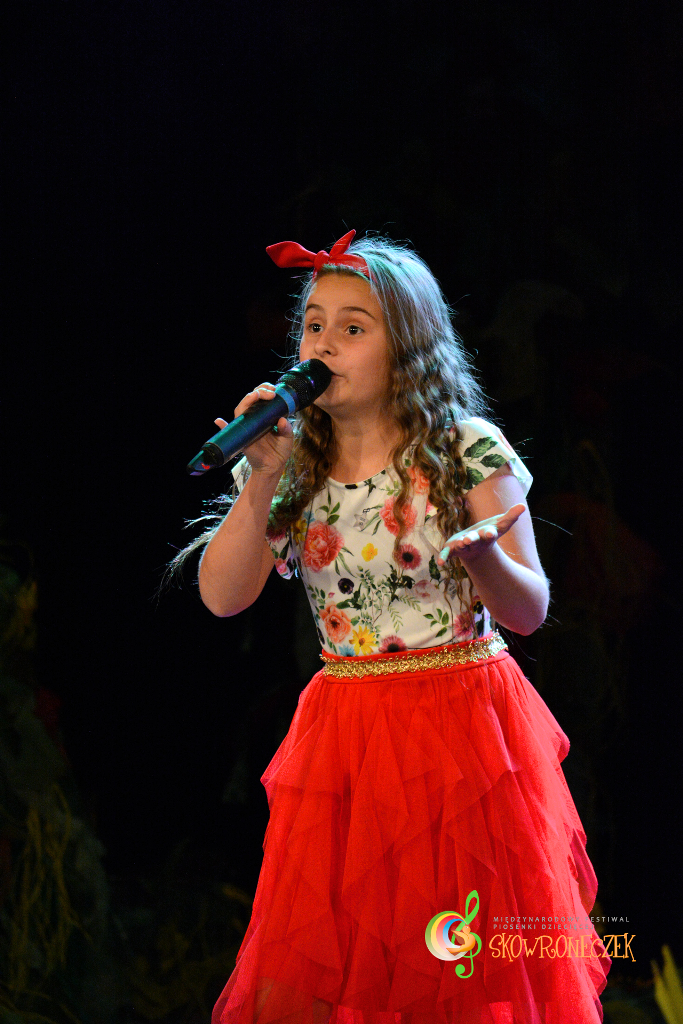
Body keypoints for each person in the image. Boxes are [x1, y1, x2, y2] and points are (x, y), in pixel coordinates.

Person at [187, 231, 609, 1023]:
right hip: (347, 735)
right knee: (352, 960)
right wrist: (261, 480)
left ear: (407, 348)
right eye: (313, 326)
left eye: (352, 328)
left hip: (462, 734)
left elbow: (528, 610)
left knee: (456, 958)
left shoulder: (462, 451)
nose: (323, 345)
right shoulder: (291, 463)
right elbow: (222, 598)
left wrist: (483, 560)